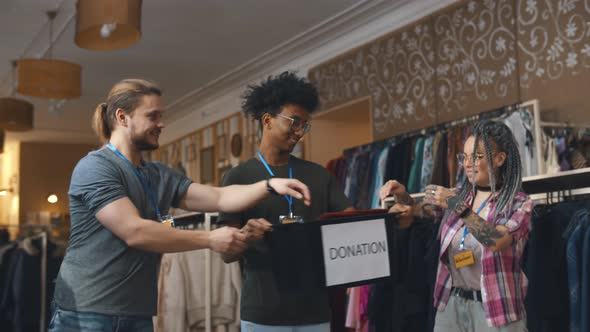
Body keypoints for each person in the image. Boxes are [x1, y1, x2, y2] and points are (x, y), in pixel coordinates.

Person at [50, 79, 311, 332]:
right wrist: (210, 239)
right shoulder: (96, 166)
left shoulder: (157, 174)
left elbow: (218, 198)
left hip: (136, 312)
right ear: (122, 117)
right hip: (85, 312)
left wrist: (269, 185)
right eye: (153, 116)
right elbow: (134, 231)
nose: (161, 124)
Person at [219, 71, 353, 332]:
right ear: (268, 121)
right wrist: (246, 235)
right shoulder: (238, 177)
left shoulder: (319, 175)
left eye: (304, 124)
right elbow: (226, 253)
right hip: (263, 314)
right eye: (293, 122)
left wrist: (390, 208)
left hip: (315, 311)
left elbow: (353, 223)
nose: (299, 131)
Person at [380, 120, 533, 331]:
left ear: (499, 159)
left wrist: (457, 205)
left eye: (477, 156)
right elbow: (417, 210)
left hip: (495, 311)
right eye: (465, 157)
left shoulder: (518, 203)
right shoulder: (460, 195)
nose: (468, 163)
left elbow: (495, 240)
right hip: (452, 304)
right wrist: (402, 195)